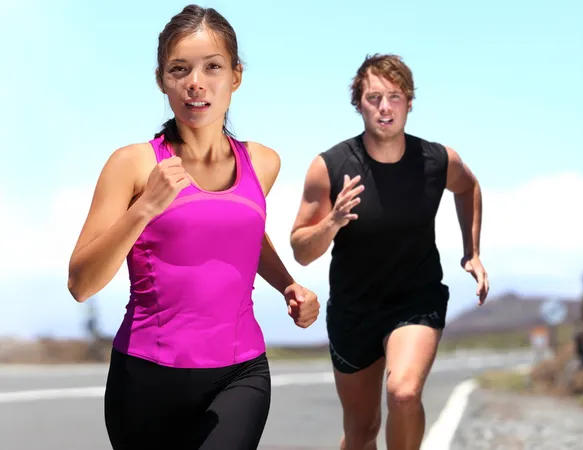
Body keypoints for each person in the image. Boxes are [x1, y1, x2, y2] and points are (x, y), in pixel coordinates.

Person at [67, 5, 320, 450]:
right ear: (162, 80)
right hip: (146, 379)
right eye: (179, 69)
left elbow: (244, 234)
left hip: (240, 371)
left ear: (236, 77)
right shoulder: (133, 164)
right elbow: (81, 283)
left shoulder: (262, 162)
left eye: (213, 67)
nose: (195, 83)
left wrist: (287, 285)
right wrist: (144, 207)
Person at [290, 53, 489, 450]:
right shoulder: (329, 166)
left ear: (409, 103)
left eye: (395, 97)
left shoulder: (436, 160)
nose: (385, 107)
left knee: (403, 392)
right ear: (358, 104)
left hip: (415, 299)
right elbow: (301, 249)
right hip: (354, 308)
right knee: (362, 431)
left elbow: (468, 187)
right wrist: (333, 222)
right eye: (374, 97)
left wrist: (473, 251)